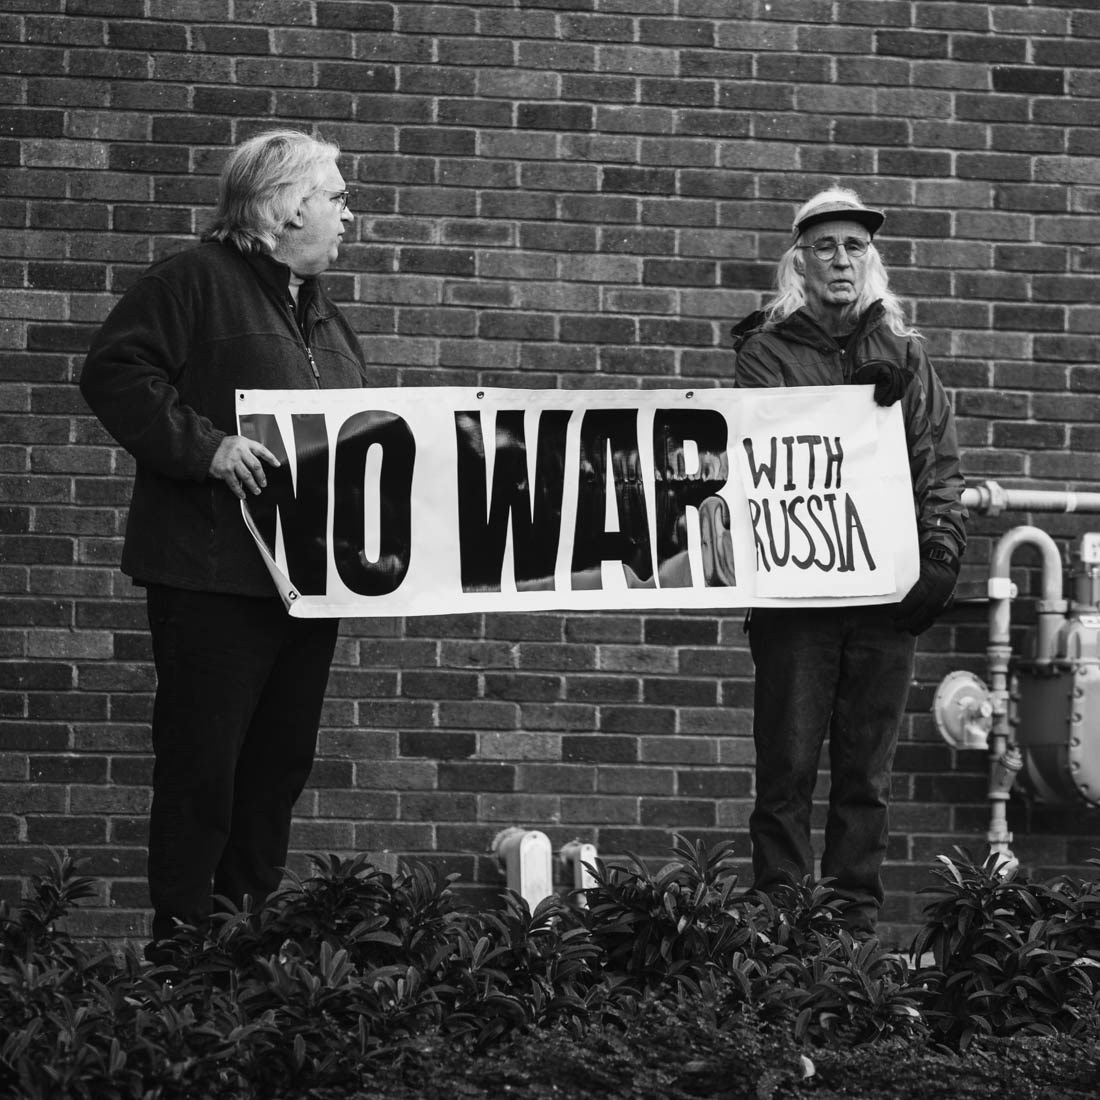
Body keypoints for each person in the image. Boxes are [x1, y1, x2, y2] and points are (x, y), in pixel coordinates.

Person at [79, 129, 366, 959]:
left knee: (275, 775)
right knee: (203, 775)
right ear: (288, 206)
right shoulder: (193, 281)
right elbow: (116, 372)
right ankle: (182, 966)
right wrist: (204, 448)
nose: (350, 215)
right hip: (211, 578)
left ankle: (242, 956)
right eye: (339, 197)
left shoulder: (320, 313)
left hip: (303, 583)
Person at [731, 186, 967, 935]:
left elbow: (940, 468)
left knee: (866, 781)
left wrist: (941, 557)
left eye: (855, 246)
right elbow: (768, 455)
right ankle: (781, 934)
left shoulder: (906, 353)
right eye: (826, 244)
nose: (841, 258)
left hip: (884, 599)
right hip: (797, 601)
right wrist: (851, 402)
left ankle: (854, 940)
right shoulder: (763, 352)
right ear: (799, 257)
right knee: (787, 776)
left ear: (871, 260)